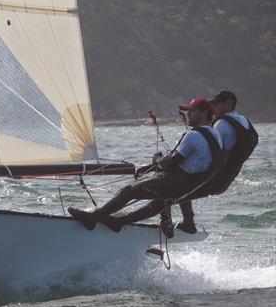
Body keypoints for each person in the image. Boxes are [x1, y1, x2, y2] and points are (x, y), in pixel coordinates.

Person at [68, 97, 225, 233]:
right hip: (193, 186)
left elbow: (169, 165)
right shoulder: (215, 134)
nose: (188, 114)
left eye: (193, 111)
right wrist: (153, 167)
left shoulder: (193, 136)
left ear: (204, 113)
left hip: (179, 184)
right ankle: (119, 222)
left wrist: (157, 160)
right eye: (188, 111)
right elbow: (192, 162)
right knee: (159, 202)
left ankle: (93, 218)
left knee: (128, 191)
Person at [176, 91, 258, 233]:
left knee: (175, 185)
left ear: (229, 103)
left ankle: (187, 224)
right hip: (228, 178)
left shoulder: (222, 123)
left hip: (214, 177)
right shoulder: (244, 121)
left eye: (216, 104)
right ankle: (187, 222)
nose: (213, 108)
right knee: (178, 188)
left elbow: (208, 147)